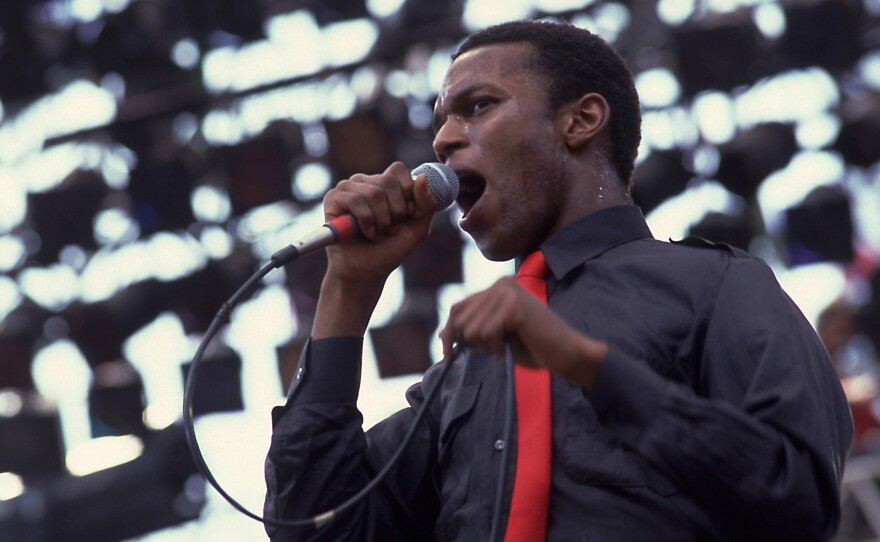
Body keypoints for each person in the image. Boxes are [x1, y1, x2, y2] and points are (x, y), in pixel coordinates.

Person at [264, 20, 853, 541]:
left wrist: (588, 367)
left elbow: (800, 499)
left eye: (478, 106)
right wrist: (348, 290)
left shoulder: (719, 287)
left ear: (581, 120)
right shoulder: (462, 374)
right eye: (440, 121)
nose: (442, 139)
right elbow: (313, 528)